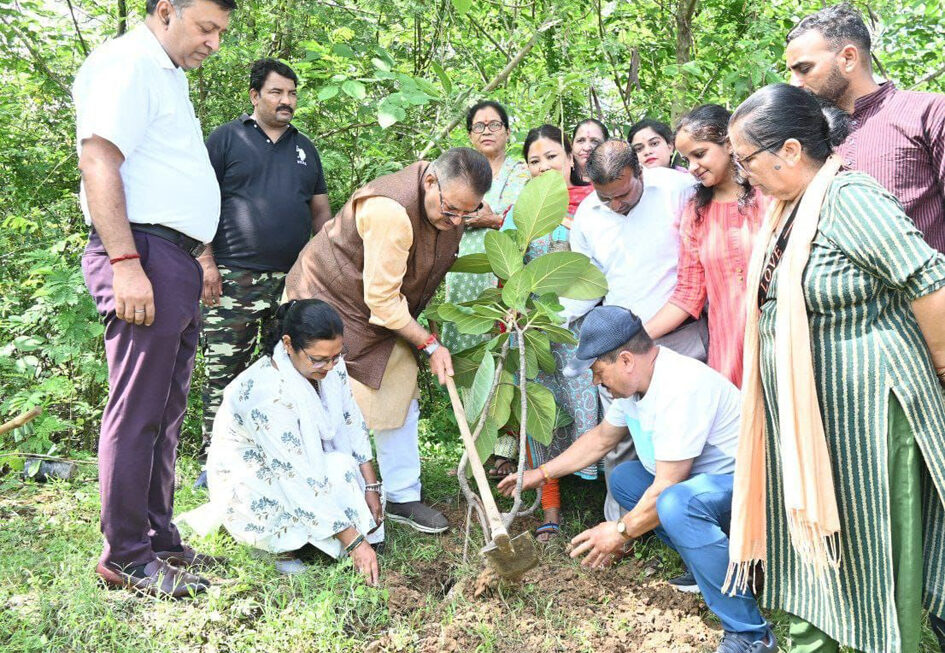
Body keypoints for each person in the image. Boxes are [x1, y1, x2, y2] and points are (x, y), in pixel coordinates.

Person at [727, 83, 945, 652]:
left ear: (792, 151)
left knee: (880, 545)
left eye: (746, 159)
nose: (742, 173)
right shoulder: (785, 211)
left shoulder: (850, 198)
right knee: (803, 543)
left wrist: (943, 365)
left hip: (871, 418)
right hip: (805, 421)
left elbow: (929, 280)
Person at [498, 306, 777, 653]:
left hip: (751, 490)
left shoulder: (680, 387)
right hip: (707, 488)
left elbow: (668, 486)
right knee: (628, 480)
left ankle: (751, 634)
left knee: (675, 504)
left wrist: (618, 532)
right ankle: (714, 566)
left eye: (599, 372)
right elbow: (601, 439)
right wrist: (540, 474)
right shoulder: (637, 386)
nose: (596, 382)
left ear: (626, 360)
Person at [75, 0, 235, 598]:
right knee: (137, 410)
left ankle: (159, 540)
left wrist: (197, 255)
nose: (214, 42)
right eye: (206, 27)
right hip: (140, 255)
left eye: (221, 31)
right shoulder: (128, 64)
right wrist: (125, 263)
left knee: (166, 414)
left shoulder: (165, 74)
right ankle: (125, 555)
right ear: (166, 9)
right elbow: (99, 159)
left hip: (174, 260)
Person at [284, 147, 492, 534]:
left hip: (380, 313)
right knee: (328, 408)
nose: (457, 221)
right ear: (430, 181)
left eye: (468, 213)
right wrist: (430, 344)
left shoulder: (453, 205)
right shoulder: (390, 213)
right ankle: (329, 503)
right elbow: (381, 301)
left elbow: (387, 298)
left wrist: (485, 219)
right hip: (326, 302)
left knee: (399, 389)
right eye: (451, 211)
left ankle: (401, 495)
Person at [195, 58, 332, 488]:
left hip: (291, 282)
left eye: (292, 93)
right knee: (224, 372)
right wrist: (204, 261)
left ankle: (274, 456)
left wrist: (320, 270)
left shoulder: (305, 148)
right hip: (230, 279)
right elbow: (196, 201)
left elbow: (321, 213)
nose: (286, 100)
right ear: (255, 95)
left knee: (284, 372)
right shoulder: (226, 139)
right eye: (276, 92)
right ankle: (214, 463)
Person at [191, 300, 383, 583]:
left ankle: (323, 537)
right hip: (258, 481)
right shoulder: (266, 393)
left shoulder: (330, 366)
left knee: (342, 465)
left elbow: (350, 419)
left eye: (335, 356)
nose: (328, 366)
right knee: (307, 491)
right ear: (288, 344)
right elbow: (294, 475)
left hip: (305, 462)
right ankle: (276, 547)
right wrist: (355, 543)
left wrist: (370, 485)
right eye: (318, 359)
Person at [567, 139, 703, 521]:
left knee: (684, 435)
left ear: (640, 173)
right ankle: (619, 525)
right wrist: (552, 319)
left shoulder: (677, 189)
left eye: (623, 194)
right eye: (605, 196)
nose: (615, 204)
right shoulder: (588, 216)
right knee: (620, 440)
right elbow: (586, 285)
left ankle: (688, 521)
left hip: (680, 336)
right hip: (620, 347)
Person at [499, 125, 598, 541]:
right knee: (539, 414)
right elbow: (504, 273)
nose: (544, 166)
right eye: (534, 160)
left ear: (571, 158)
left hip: (578, 334)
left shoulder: (591, 208)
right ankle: (550, 509)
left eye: (552, 156)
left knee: (586, 410)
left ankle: (602, 502)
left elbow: (597, 275)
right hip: (533, 335)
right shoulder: (518, 218)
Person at [785, 3, 945, 253]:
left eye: (804, 69)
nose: (795, 83)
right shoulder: (807, 138)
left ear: (848, 58)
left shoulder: (930, 113)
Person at [645, 105, 766, 388]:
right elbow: (688, 294)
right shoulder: (696, 213)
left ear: (729, 143)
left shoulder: (768, 195)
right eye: (686, 159)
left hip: (780, 339)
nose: (692, 167)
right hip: (728, 350)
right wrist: (637, 335)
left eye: (699, 154)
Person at [440, 101, 531, 353]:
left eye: (494, 124)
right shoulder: (459, 173)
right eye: (479, 126)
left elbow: (529, 221)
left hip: (507, 268)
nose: (486, 131)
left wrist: (494, 220)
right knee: (464, 332)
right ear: (470, 135)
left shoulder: (523, 172)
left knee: (505, 343)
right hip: (464, 269)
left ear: (508, 131)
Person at [571, 118, 609, 184]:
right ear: (572, 145)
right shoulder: (559, 181)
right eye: (580, 140)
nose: (587, 148)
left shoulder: (617, 183)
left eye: (595, 141)